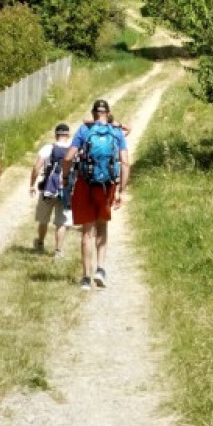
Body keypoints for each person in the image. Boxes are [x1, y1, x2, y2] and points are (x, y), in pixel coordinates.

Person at [64, 98, 129, 290]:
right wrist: (121, 190)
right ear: (108, 114)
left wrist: (65, 177)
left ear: (93, 113)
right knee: (102, 227)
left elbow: (68, 157)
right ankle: (100, 269)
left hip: (86, 183)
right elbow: (125, 163)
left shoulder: (84, 130)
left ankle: (86, 277)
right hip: (107, 186)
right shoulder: (116, 132)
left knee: (87, 231)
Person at [29, 122, 72, 255]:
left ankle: (40, 242)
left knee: (43, 218)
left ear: (56, 135)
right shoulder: (73, 149)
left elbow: (37, 168)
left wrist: (32, 184)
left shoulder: (48, 148)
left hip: (48, 188)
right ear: (68, 135)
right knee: (62, 222)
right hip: (66, 189)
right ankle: (58, 250)